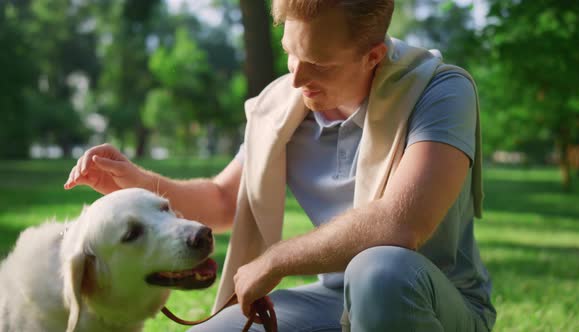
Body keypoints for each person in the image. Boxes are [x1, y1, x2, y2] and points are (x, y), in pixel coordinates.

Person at [65, 0, 496, 331]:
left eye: (319, 64)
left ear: (374, 56)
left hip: (429, 303)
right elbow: (222, 200)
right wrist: (135, 180)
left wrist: (275, 260)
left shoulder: (439, 90)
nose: (296, 78)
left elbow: (402, 224)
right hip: (334, 298)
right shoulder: (285, 105)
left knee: (379, 269)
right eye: (291, 53)